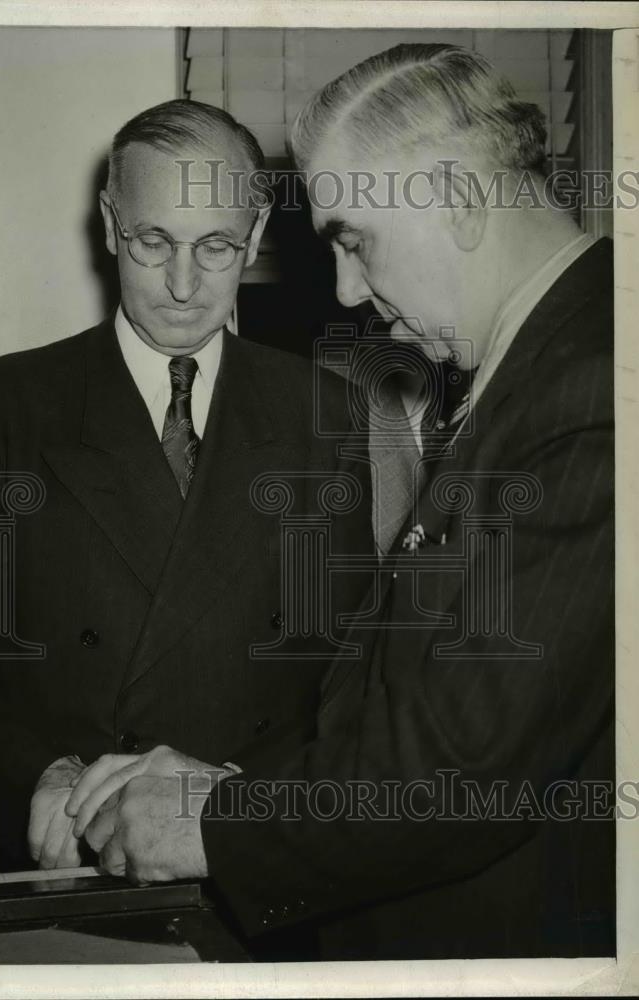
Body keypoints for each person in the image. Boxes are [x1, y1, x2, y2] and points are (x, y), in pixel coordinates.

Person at [69, 45, 615, 960]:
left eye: (352, 238)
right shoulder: (545, 370)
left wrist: (209, 822)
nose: (346, 291)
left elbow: (460, 768)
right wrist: (233, 785)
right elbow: (428, 710)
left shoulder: (590, 390)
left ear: (456, 197)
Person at [0, 100, 378, 875]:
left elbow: (346, 665)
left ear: (258, 231)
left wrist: (248, 806)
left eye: (214, 246)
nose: (182, 284)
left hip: (239, 849)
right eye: (152, 241)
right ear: (110, 225)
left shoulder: (325, 414)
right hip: (68, 853)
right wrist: (36, 780)